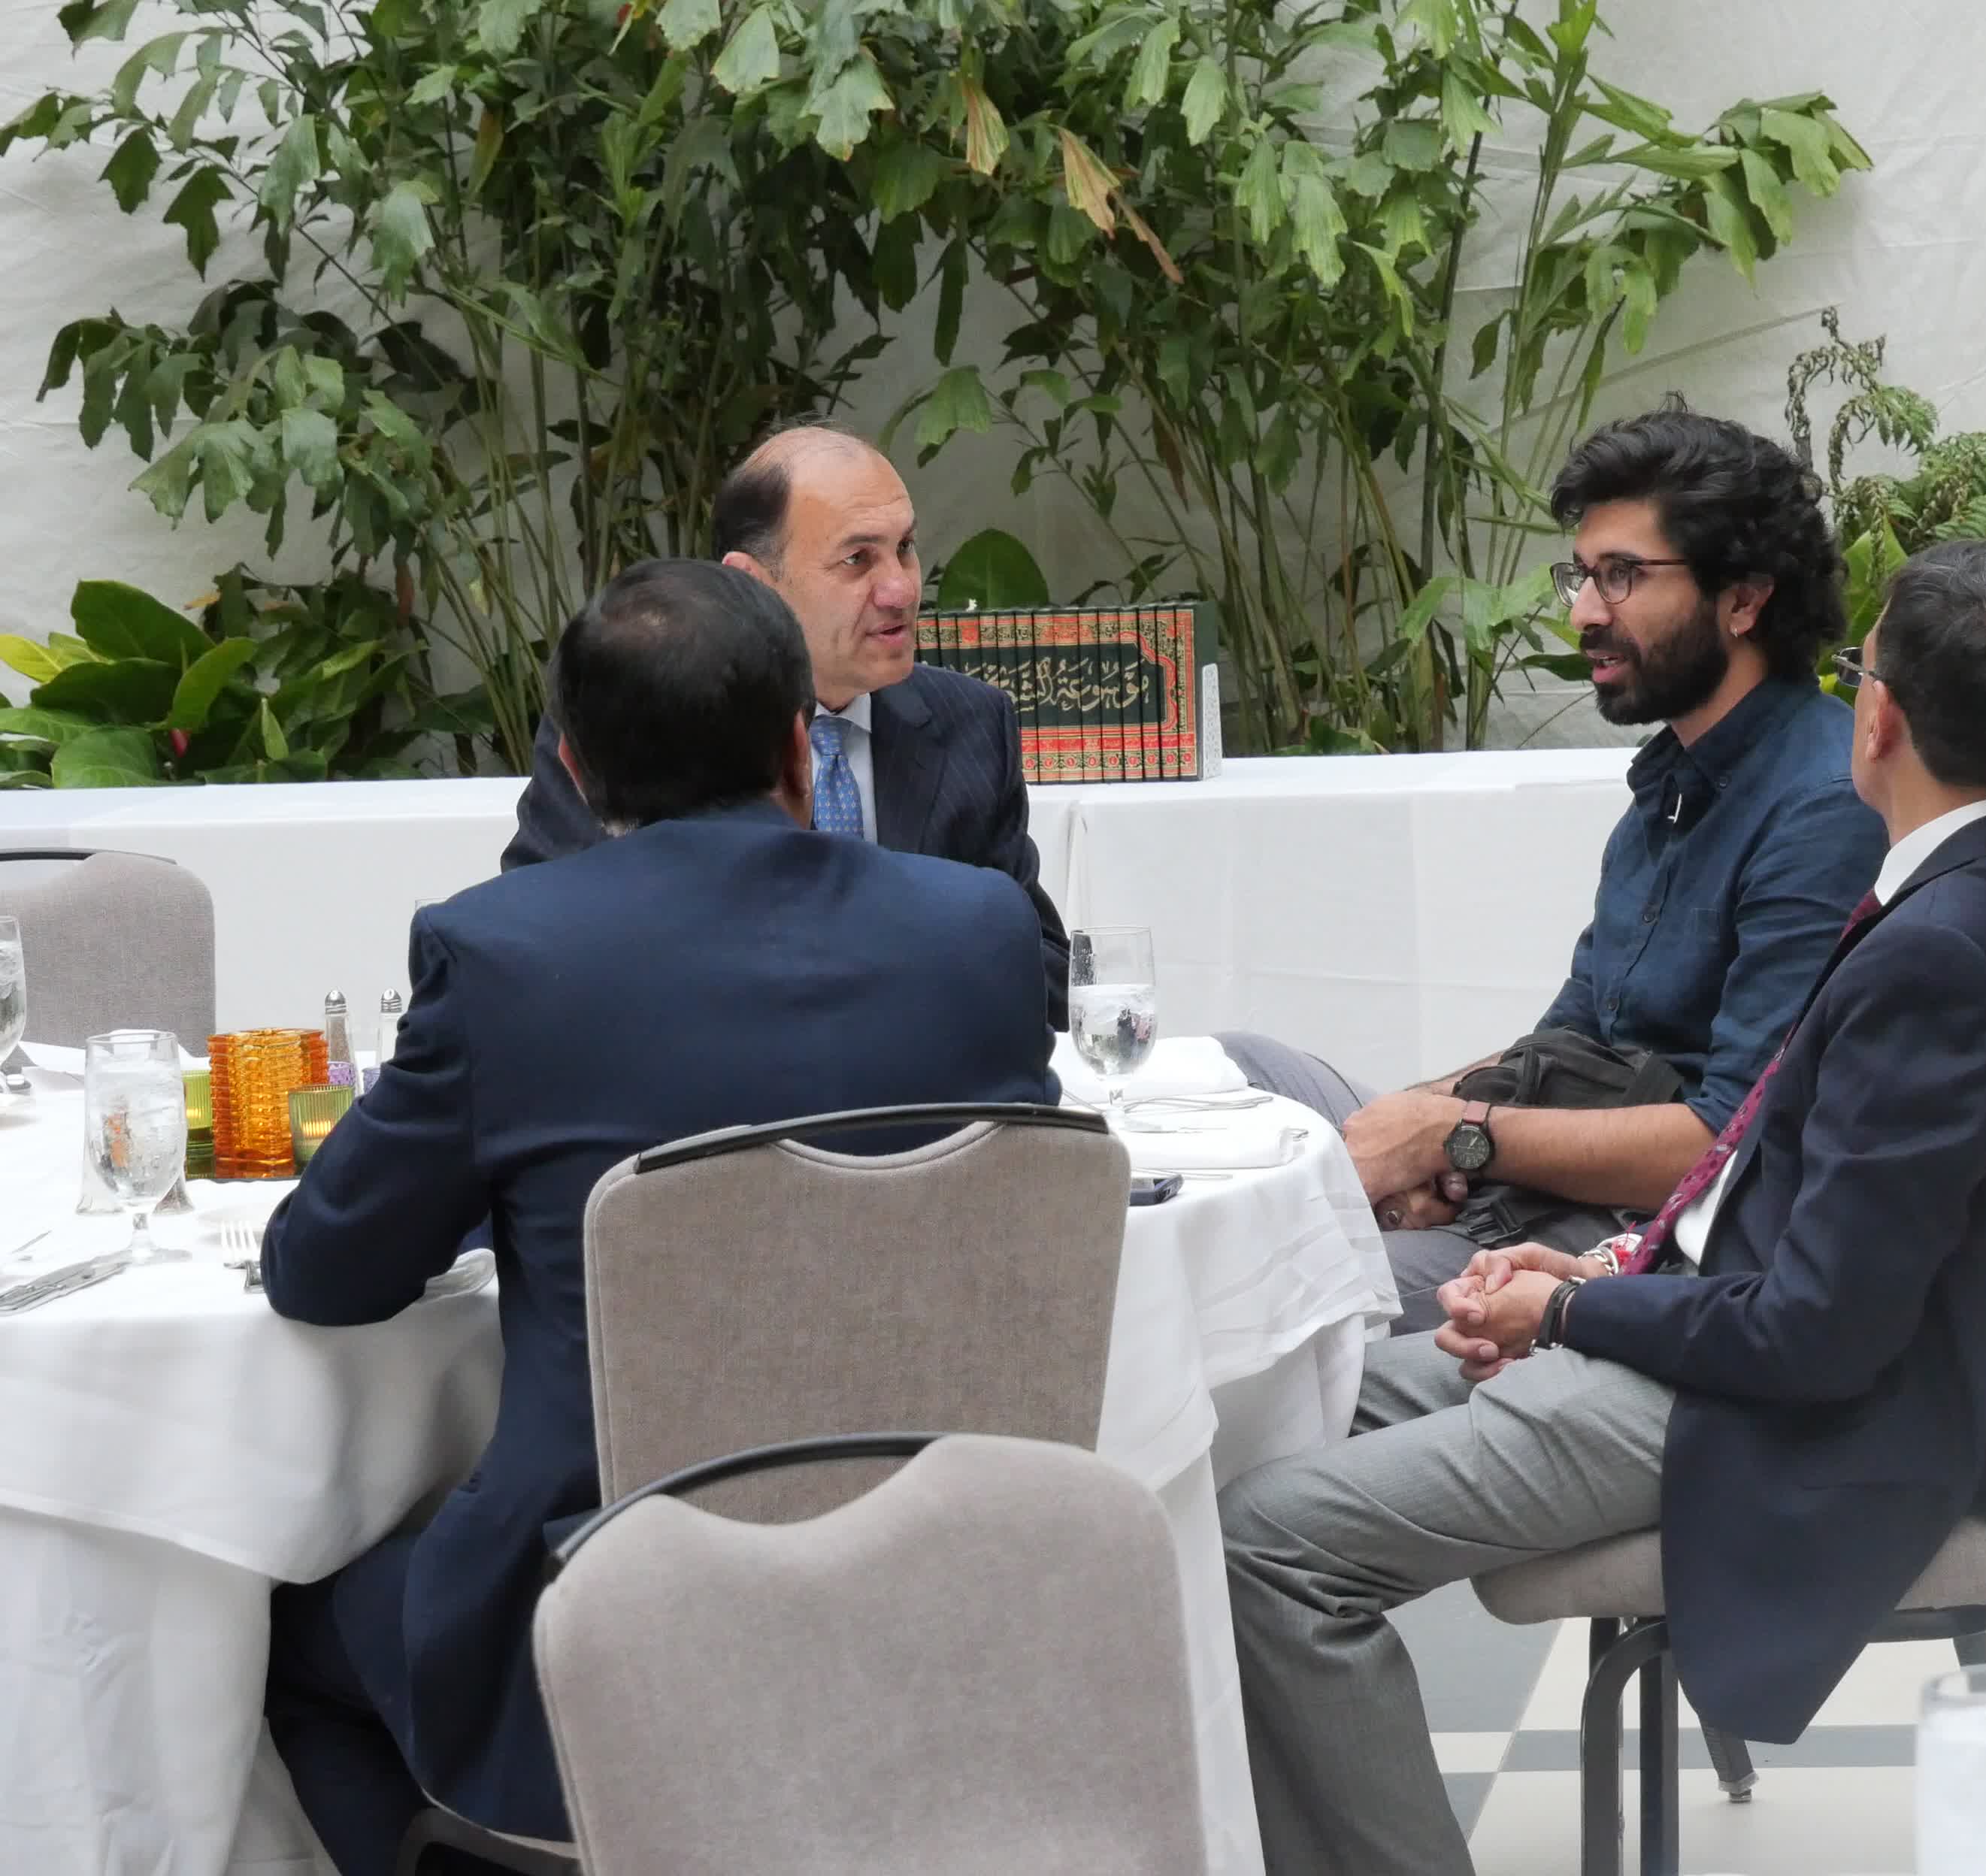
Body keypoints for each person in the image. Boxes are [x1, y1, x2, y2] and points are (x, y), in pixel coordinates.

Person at [1219, 539, 1986, 1874]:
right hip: (1717, 1337)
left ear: (1877, 718)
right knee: (1261, 1404)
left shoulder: (1948, 953)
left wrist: (1573, 1315)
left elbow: (1817, 1334)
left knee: (1263, 1547)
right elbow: (1784, 1208)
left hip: (1773, 1421)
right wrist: (1596, 1274)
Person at [259, 558, 1059, 1875]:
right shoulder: (977, 931)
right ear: (799, 746)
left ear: (574, 770)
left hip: (603, 1614)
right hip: (945, 1599)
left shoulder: (504, 956)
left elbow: (325, 1274)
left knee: (279, 1640)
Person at [1224, 404, 1886, 1330]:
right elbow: (1570, 1040)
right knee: (1237, 1066)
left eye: (1621, 576)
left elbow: (1727, 1144)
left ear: (1743, 599)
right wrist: (1424, 1128)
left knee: (1266, 1286)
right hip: (1526, 1180)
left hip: (1621, 1237)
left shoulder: (1820, 806)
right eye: (1581, 575)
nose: (1582, 613)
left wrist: (1453, 1138)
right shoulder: (1671, 778)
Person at [501, 422, 1073, 1026]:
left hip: (917, 1070)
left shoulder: (970, 722)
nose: (902, 589)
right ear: (751, 583)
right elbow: (538, 944)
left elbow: (1046, 978)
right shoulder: (634, 716)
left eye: (904, 547)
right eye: (857, 559)